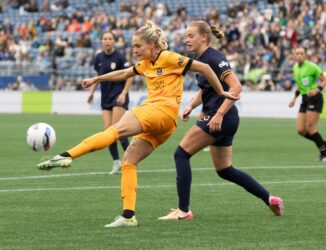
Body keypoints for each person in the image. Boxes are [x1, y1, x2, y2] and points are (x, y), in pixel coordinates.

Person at [37, 20, 238, 227]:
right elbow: (124, 73)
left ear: (151, 45)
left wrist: (222, 92)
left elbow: (204, 67)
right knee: (129, 161)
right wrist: (96, 80)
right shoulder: (144, 64)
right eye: (133, 46)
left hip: (159, 111)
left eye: (138, 46)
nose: (134, 50)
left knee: (114, 130)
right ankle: (128, 216)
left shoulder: (168, 57)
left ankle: (66, 155)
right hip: (165, 125)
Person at [158, 21, 284, 221]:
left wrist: (219, 114)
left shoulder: (214, 59)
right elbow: (207, 88)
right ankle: (269, 198)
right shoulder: (203, 60)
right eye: (186, 36)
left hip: (219, 118)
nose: (186, 39)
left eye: (191, 36)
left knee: (181, 154)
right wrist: (191, 105)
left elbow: (236, 87)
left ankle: (183, 211)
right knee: (225, 170)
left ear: (204, 37)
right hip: (225, 119)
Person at [88, 31, 132, 175]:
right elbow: (98, 76)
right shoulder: (98, 57)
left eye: (110, 39)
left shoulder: (119, 57)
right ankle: (116, 162)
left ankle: (131, 159)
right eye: (105, 38)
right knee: (108, 132)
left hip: (118, 97)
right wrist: (91, 92)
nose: (107, 41)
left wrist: (124, 93)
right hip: (105, 97)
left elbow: (130, 75)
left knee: (116, 129)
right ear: (102, 41)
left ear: (114, 41)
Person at [288, 47, 326, 162]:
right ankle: (325, 144)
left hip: (315, 98)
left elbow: (325, 79)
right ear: (294, 55)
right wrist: (294, 98)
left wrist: (317, 89)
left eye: (301, 53)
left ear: (305, 55)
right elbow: (299, 85)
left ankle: (324, 154)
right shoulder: (295, 68)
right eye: (297, 53)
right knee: (300, 130)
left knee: (311, 127)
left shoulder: (312, 67)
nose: (299, 55)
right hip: (304, 98)